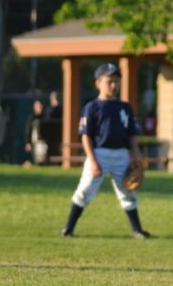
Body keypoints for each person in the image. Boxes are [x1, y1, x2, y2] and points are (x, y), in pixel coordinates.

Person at [61, 63, 151, 239]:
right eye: (109, 81)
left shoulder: (124, 107)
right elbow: (85, 136)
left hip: (121, 154)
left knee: (127, 191)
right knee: (86, 189)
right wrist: (93, 161)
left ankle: (137, 230)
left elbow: (132, 134)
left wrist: (136, 154)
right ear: (98, 83)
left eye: (116, 81)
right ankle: (68, 229)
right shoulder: (92, 107)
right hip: (99, 153)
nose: (114, 85)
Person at [24, 99, 45, 163]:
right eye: (38, 106)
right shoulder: (32, 118)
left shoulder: (45, 116)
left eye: (40, 106)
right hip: (35, 142)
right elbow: (28, 130)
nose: (40, 108)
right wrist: (28, 142)